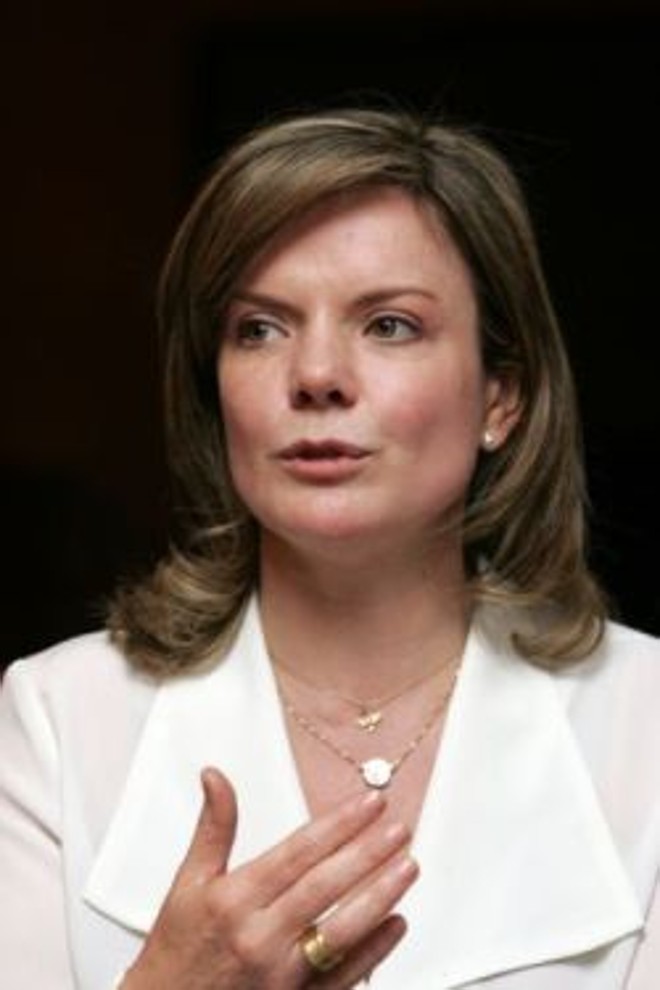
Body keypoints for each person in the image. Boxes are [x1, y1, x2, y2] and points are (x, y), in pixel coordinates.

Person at [1, 105, 659, 990]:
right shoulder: (58, 718)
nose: (315, 376)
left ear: (502, 396)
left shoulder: (645, 724)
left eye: (389, 325)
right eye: (260, 329)